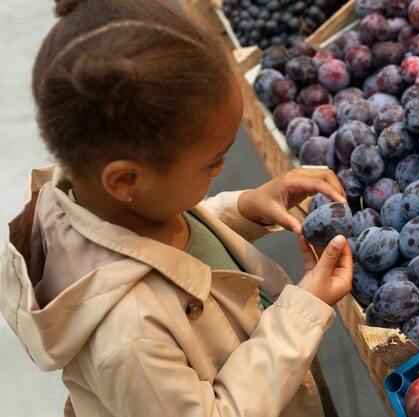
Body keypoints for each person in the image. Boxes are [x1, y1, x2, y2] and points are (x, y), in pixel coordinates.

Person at [0, 0, 353, 416]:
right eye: (214, 162)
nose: (222, 169)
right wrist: (300, 315)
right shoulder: (128, 340)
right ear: (126, 180)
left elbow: (178, 239)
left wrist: (245, 207)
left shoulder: (106, 202)